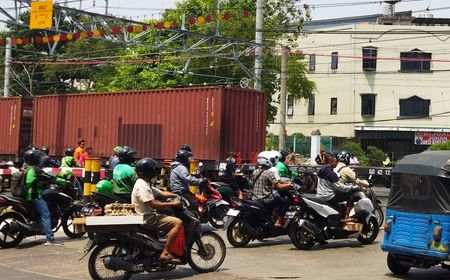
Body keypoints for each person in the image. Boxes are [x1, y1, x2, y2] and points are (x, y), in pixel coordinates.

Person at [132, 157, 183, 263]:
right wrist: (172, 203)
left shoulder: (144, 183)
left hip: (145, 216)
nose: (155, 171)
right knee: (178, 222)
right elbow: (153, 204)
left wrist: (176, 194)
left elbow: (160, 193)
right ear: (148, 171)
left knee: (168, 216)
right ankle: (165, 253)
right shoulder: (142, 185)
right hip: (147, 218)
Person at [23, 149, 71, 245]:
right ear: (34, 159)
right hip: (35, 196)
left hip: (29, 195)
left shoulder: (28, 169)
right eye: (37, 157)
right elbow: (49, 177)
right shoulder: (35, 170)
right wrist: (65, 182)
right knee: (46, 215)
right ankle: (50, 239)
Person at [253, 150, 293, 227]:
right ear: (267, 161)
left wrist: (284, 182)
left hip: (255, 198)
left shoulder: (255, 171)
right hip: (266, 199)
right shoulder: (269, 172)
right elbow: (279, 186)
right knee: (287, 202)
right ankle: (278, 221)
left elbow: (276, 181)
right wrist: (288, 185)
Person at [316, 153, 359, 222]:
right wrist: (352, 188)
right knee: (351, 195)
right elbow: (340, 187)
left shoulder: (322, 169)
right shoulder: (331, 173)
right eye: (336, 161)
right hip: (329, 197)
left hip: (320, 195)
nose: (337, 163)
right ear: (331, 162)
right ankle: (347, 217)